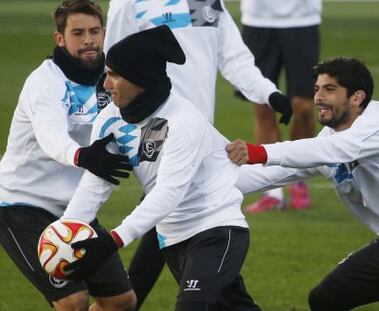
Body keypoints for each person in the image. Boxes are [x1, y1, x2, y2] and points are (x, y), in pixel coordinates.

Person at [102, 0, 293, 309]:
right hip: (153, 133)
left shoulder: (207, 3)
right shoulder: (129, 3)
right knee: (167, 212)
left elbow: (234, 57)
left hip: (201, 138)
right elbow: (109, 72)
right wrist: (106, 133)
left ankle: (121, 303)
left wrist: (267, 92)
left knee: (168, 217)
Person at [62, 25, 262, 311]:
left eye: (115, 75)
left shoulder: (182, 121)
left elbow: (168, 192)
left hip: (216, 226)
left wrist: (112, 241)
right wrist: (68, 233)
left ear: (140, 79)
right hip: (173, 238)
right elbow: (94, 187)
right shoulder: (108, 120)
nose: (105, 84)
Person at [226, 57, 379, 310]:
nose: (318, 98)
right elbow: (270, 176)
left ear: (357, 97)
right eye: (316, 89)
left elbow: (338, 149)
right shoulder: (327, 142)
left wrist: (259, 151)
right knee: (325, 299)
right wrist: (203, 185)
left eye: (330, 89)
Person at [0, 1, 136, 310]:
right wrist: (82, 156)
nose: (88, 40)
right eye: (78, 33)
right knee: (72, 301)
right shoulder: (45, 82)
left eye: (94, 31)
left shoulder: (111, 78)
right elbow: (51, 135)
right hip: (22, 205)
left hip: (76, 207)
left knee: (121, 302)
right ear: (60, 39)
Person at [236, 0, 322, 212]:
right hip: (258, 19)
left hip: (303, 19)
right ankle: (272, 192)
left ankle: (297, 179)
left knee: (303, 108)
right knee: (263, 106)